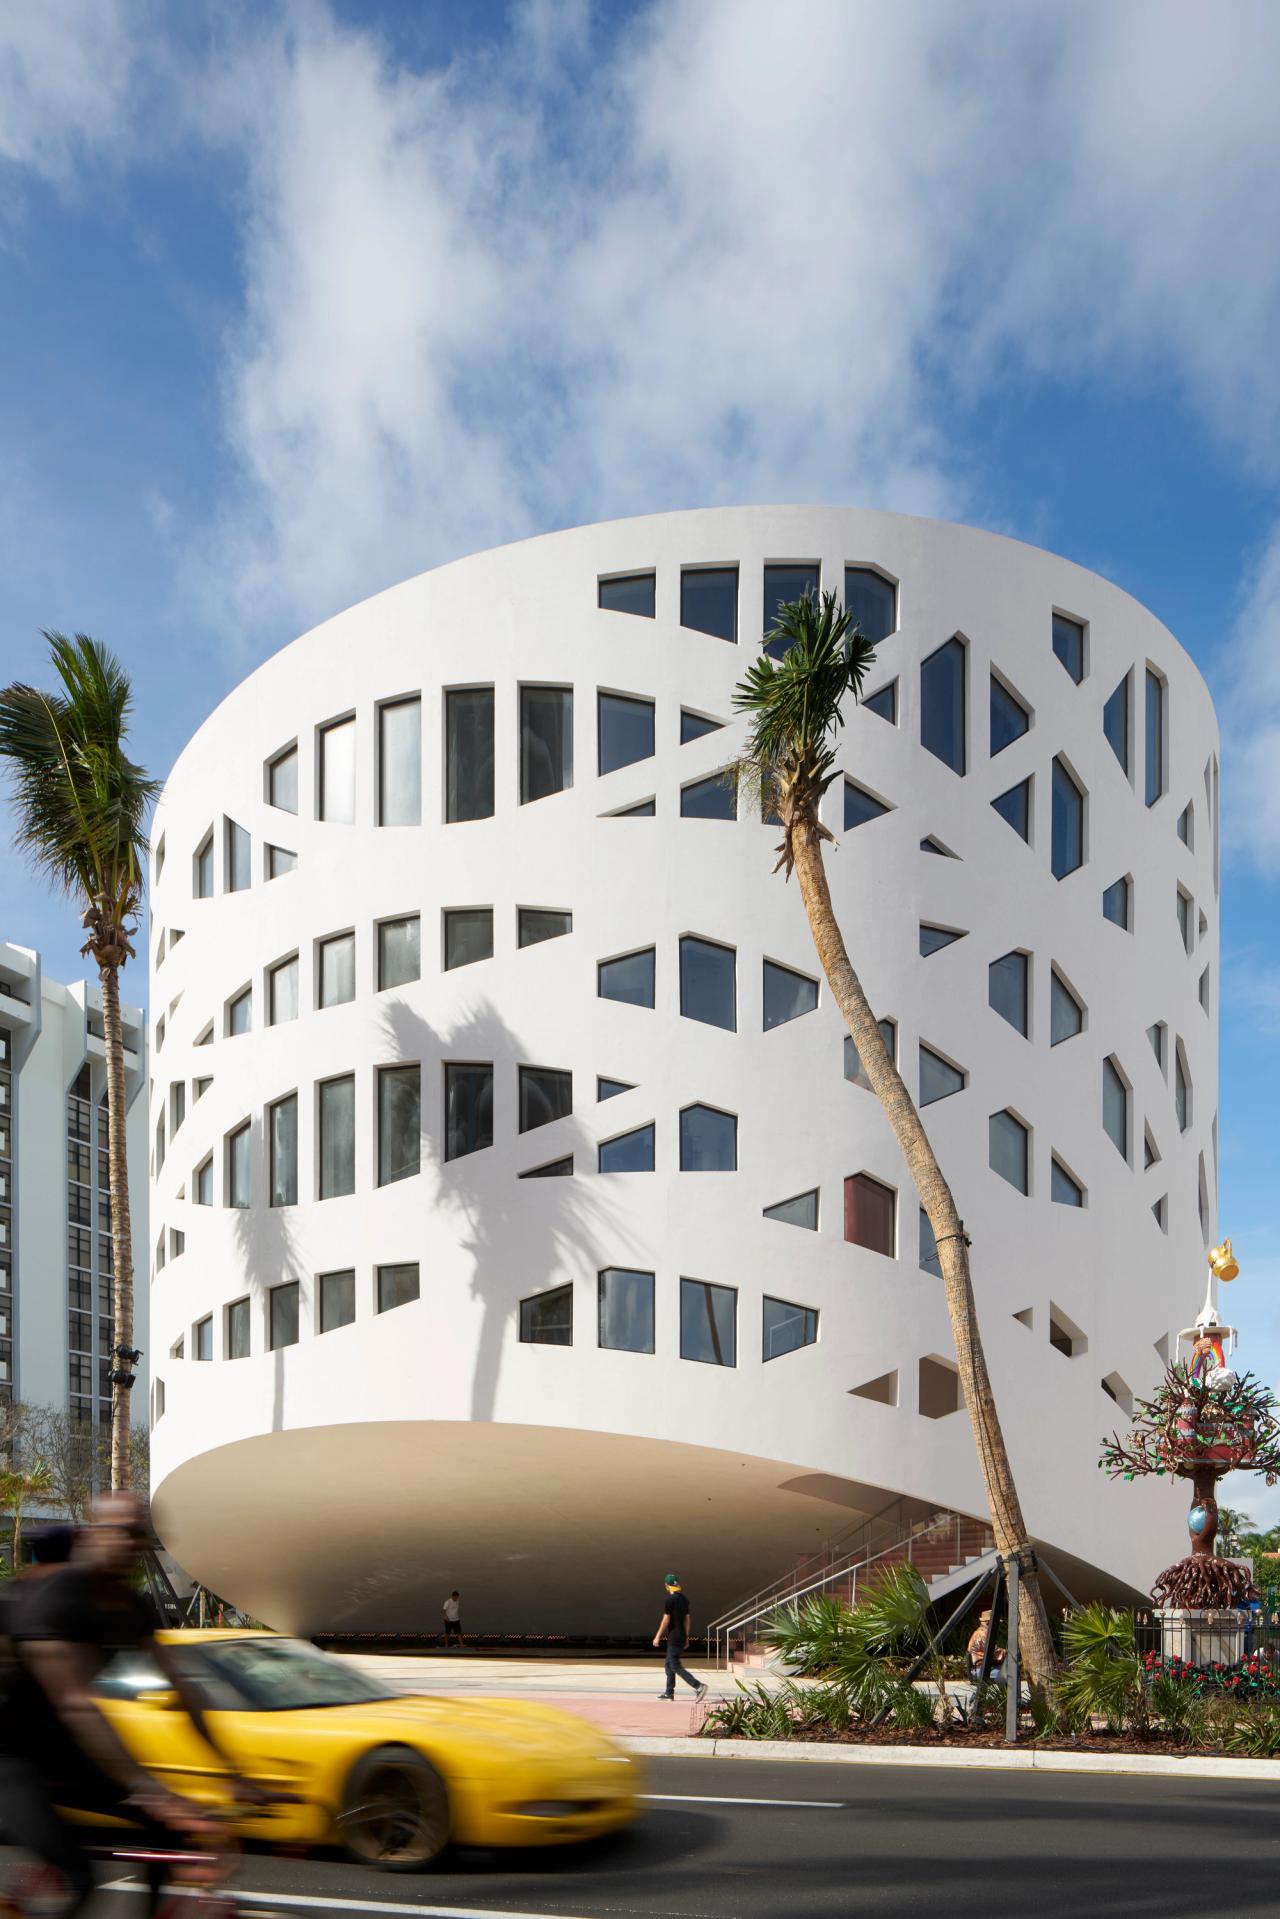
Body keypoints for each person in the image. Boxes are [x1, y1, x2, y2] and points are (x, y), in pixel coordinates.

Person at [0, 1491, 262, 1915]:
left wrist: (231, 1773)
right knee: (77, 1875)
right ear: (91, 1534)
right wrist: (149, 1791)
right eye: (122, 1532)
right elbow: (77, 1705)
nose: (132, 1544)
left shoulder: (129, 1605)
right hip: (13, 1762)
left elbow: (182, 1689)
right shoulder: (54, 1599)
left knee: (167, 1837)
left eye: (140, 1534)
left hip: (71, 1754)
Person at [653, 1575, 707, 1701]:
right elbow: (687, 1619)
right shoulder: (684, 1599)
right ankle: (669, 1692)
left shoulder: (669, 1600)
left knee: (675, 1665)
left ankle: (698, 1686)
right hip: (681, 1636)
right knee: (668, 1664)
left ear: (666, 1586)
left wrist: (657, 1636)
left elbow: (666, 1620)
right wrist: (686, 1636)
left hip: (674, 1637)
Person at [966, 1608, 1007, 1683]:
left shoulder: (982, 1632)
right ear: (989, 1623)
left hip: (984, 1667)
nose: (998, 1625)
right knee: (1010, 1674)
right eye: (996, 1623)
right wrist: (1007, 1652)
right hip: (981, 1670)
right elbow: (993, 1652)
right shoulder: (983, 1635)